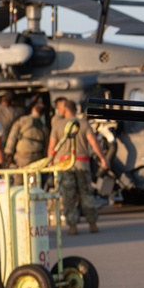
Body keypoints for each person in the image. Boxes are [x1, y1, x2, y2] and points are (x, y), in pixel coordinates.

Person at [48, 100, 110, 235]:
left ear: (64, 110)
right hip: (82, 163)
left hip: (65, 165)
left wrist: (50, 162)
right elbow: (93, 142)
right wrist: (103, 159)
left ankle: (72, 226)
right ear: (75, 110)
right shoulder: (83, 124)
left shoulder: (57, 125)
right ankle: (92, 223)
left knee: (68, 196)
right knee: (86, 193)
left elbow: (52, 147)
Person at [5, 100, 49, 184]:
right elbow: (46, 147)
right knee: (33, 182)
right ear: (42, 114)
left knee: (18, 181)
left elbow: (12, 137)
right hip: (36, 158)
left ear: (33, 109)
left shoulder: (22, 121)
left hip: (21, 157)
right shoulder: (44, 128)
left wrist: (8, 153)